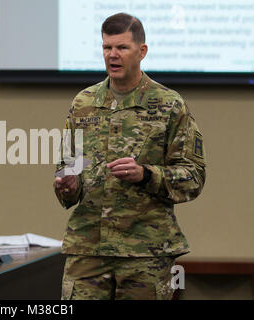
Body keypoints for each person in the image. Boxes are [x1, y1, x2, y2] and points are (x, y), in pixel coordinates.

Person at [54, 13, 206, 300]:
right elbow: (67, 167)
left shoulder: (169, 105)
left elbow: (194, 176)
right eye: (106, 47)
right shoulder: (83, 103)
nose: (112, 55)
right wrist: (67, 184)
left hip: (144, 251)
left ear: (142, 51)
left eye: (122, 48)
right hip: (88, 248)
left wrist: (146, 174)